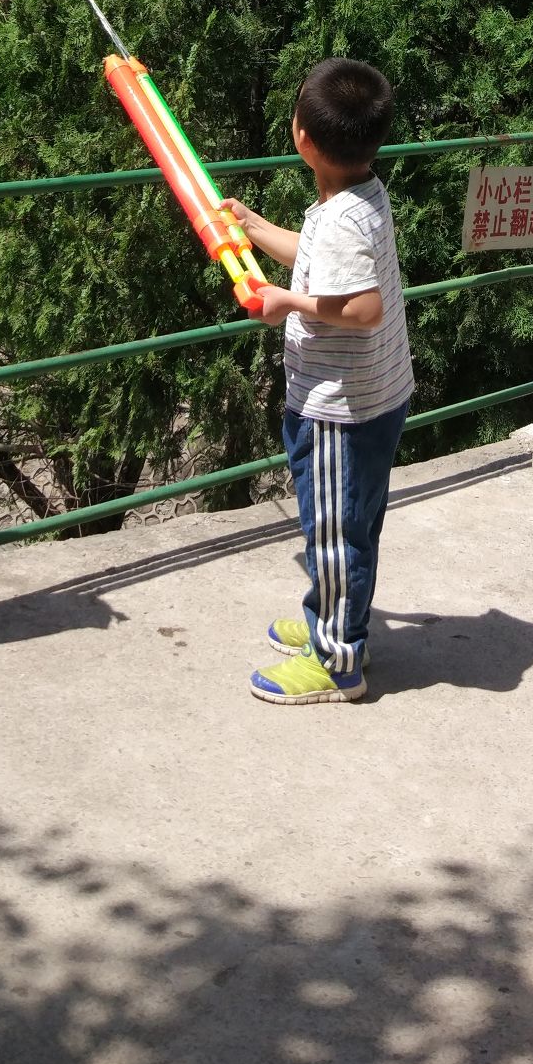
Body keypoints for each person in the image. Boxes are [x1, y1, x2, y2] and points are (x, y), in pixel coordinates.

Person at [228, 58, 414, 704]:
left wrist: (288, 302)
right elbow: (318, 257)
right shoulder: (357, 196)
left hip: (343, 408)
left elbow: (362, 307)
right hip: (374, 396)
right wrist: (253, 227)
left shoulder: (339, 218)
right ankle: (329, 621)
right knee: (347, 524)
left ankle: (338, 660)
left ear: (300, 134)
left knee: (335, 532)